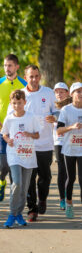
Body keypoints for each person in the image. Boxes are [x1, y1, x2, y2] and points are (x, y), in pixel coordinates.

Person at [0, 54, 27, 202]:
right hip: (2, 131)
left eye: (10, 65)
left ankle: (14, 199)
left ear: (17, 67)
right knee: (4, 165)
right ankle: (1, 181)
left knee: (15, 166)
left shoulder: (24, 84)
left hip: (19, 132)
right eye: (5, 65)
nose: (7, 68)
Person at [19, 65, 57, 222]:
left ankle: (42, 198)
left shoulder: (48, 93)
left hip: (45, 143)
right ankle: (32, 209)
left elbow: (58, 111)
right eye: (31, 76)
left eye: (36, 76)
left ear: (40, 76)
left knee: (45, 177)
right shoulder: (20, 94)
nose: (34, 79)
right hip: (28, 145)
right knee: (29, 178)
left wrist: (54, 117)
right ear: (25, 77)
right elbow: (12, 114)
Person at [1, 90, 40, 228]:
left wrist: (29, 134)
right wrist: (8, 140)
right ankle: (12, 214)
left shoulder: (31, 117)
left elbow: (37, 135)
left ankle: (19, 213)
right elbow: (4, 134)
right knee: (16, 183)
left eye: (19, 103)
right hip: (14, 155)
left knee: (24, 189)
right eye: (14, 103)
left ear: (25, 102)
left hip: (28, 156)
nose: (17, 106)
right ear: (11, 104)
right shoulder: (9, 118)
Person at [57, 82, 82, 218]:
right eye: (78, 91)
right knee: (71, 178)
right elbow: (59, 130)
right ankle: (69, 203)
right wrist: (71, 127)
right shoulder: (66, 110)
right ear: (72, 94)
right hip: (69, 149)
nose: (81, 94)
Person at [53, 82, 71, 210]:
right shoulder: (52, 107)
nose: (59, 94)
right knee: (61, 169)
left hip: (73, 141)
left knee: (71, 172)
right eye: (57, 92)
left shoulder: (73, 106)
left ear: (68, 93)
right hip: (58, 141)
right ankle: (62, 198)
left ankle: (67, 194)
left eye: (62, 91)